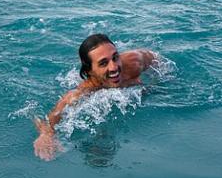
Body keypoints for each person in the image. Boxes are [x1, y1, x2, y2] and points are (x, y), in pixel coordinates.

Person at [32, 33, 157, 161]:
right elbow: (48, 121)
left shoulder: (134, 63)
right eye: (103, 63)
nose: (114, 67)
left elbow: (157, 60)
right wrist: (46, 135)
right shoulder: (81, 93)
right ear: (89, 71)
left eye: (115, 57)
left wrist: (153, 86)